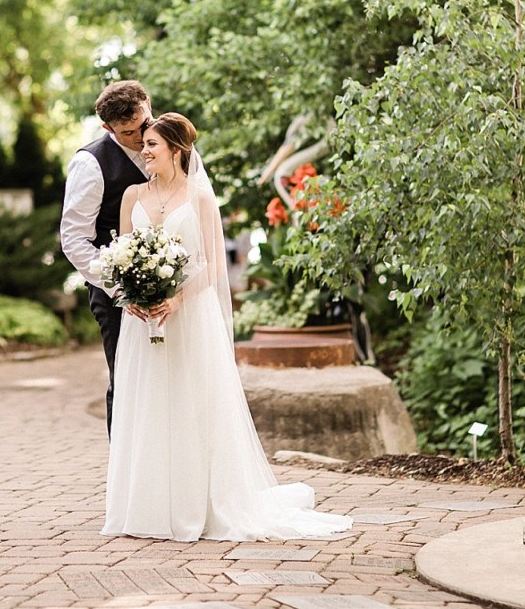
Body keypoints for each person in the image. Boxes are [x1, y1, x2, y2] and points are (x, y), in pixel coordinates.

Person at [101, 113, 353, 541]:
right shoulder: (131, 196)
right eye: (143, 144)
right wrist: (133, 299)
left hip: (189, 317)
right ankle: (145, 507)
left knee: (189, 404)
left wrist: (176, 297)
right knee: (146, 404)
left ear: (177, 150)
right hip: (142, 323)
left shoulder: (200, 198)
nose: (143, 152)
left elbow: (214, 265)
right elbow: (122, 254)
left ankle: (195, 505)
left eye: (152, 145)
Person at [60, 81, 154, 437]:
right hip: (116, 294)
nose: (140, 136)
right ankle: (126, 477)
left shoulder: (174, 147)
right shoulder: (91, 163)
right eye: (128, 132)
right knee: (127, 380)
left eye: (144, 124)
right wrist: (121, 284)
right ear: (107, 128)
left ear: (149, 107)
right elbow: (74, 238)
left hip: (173, 288)